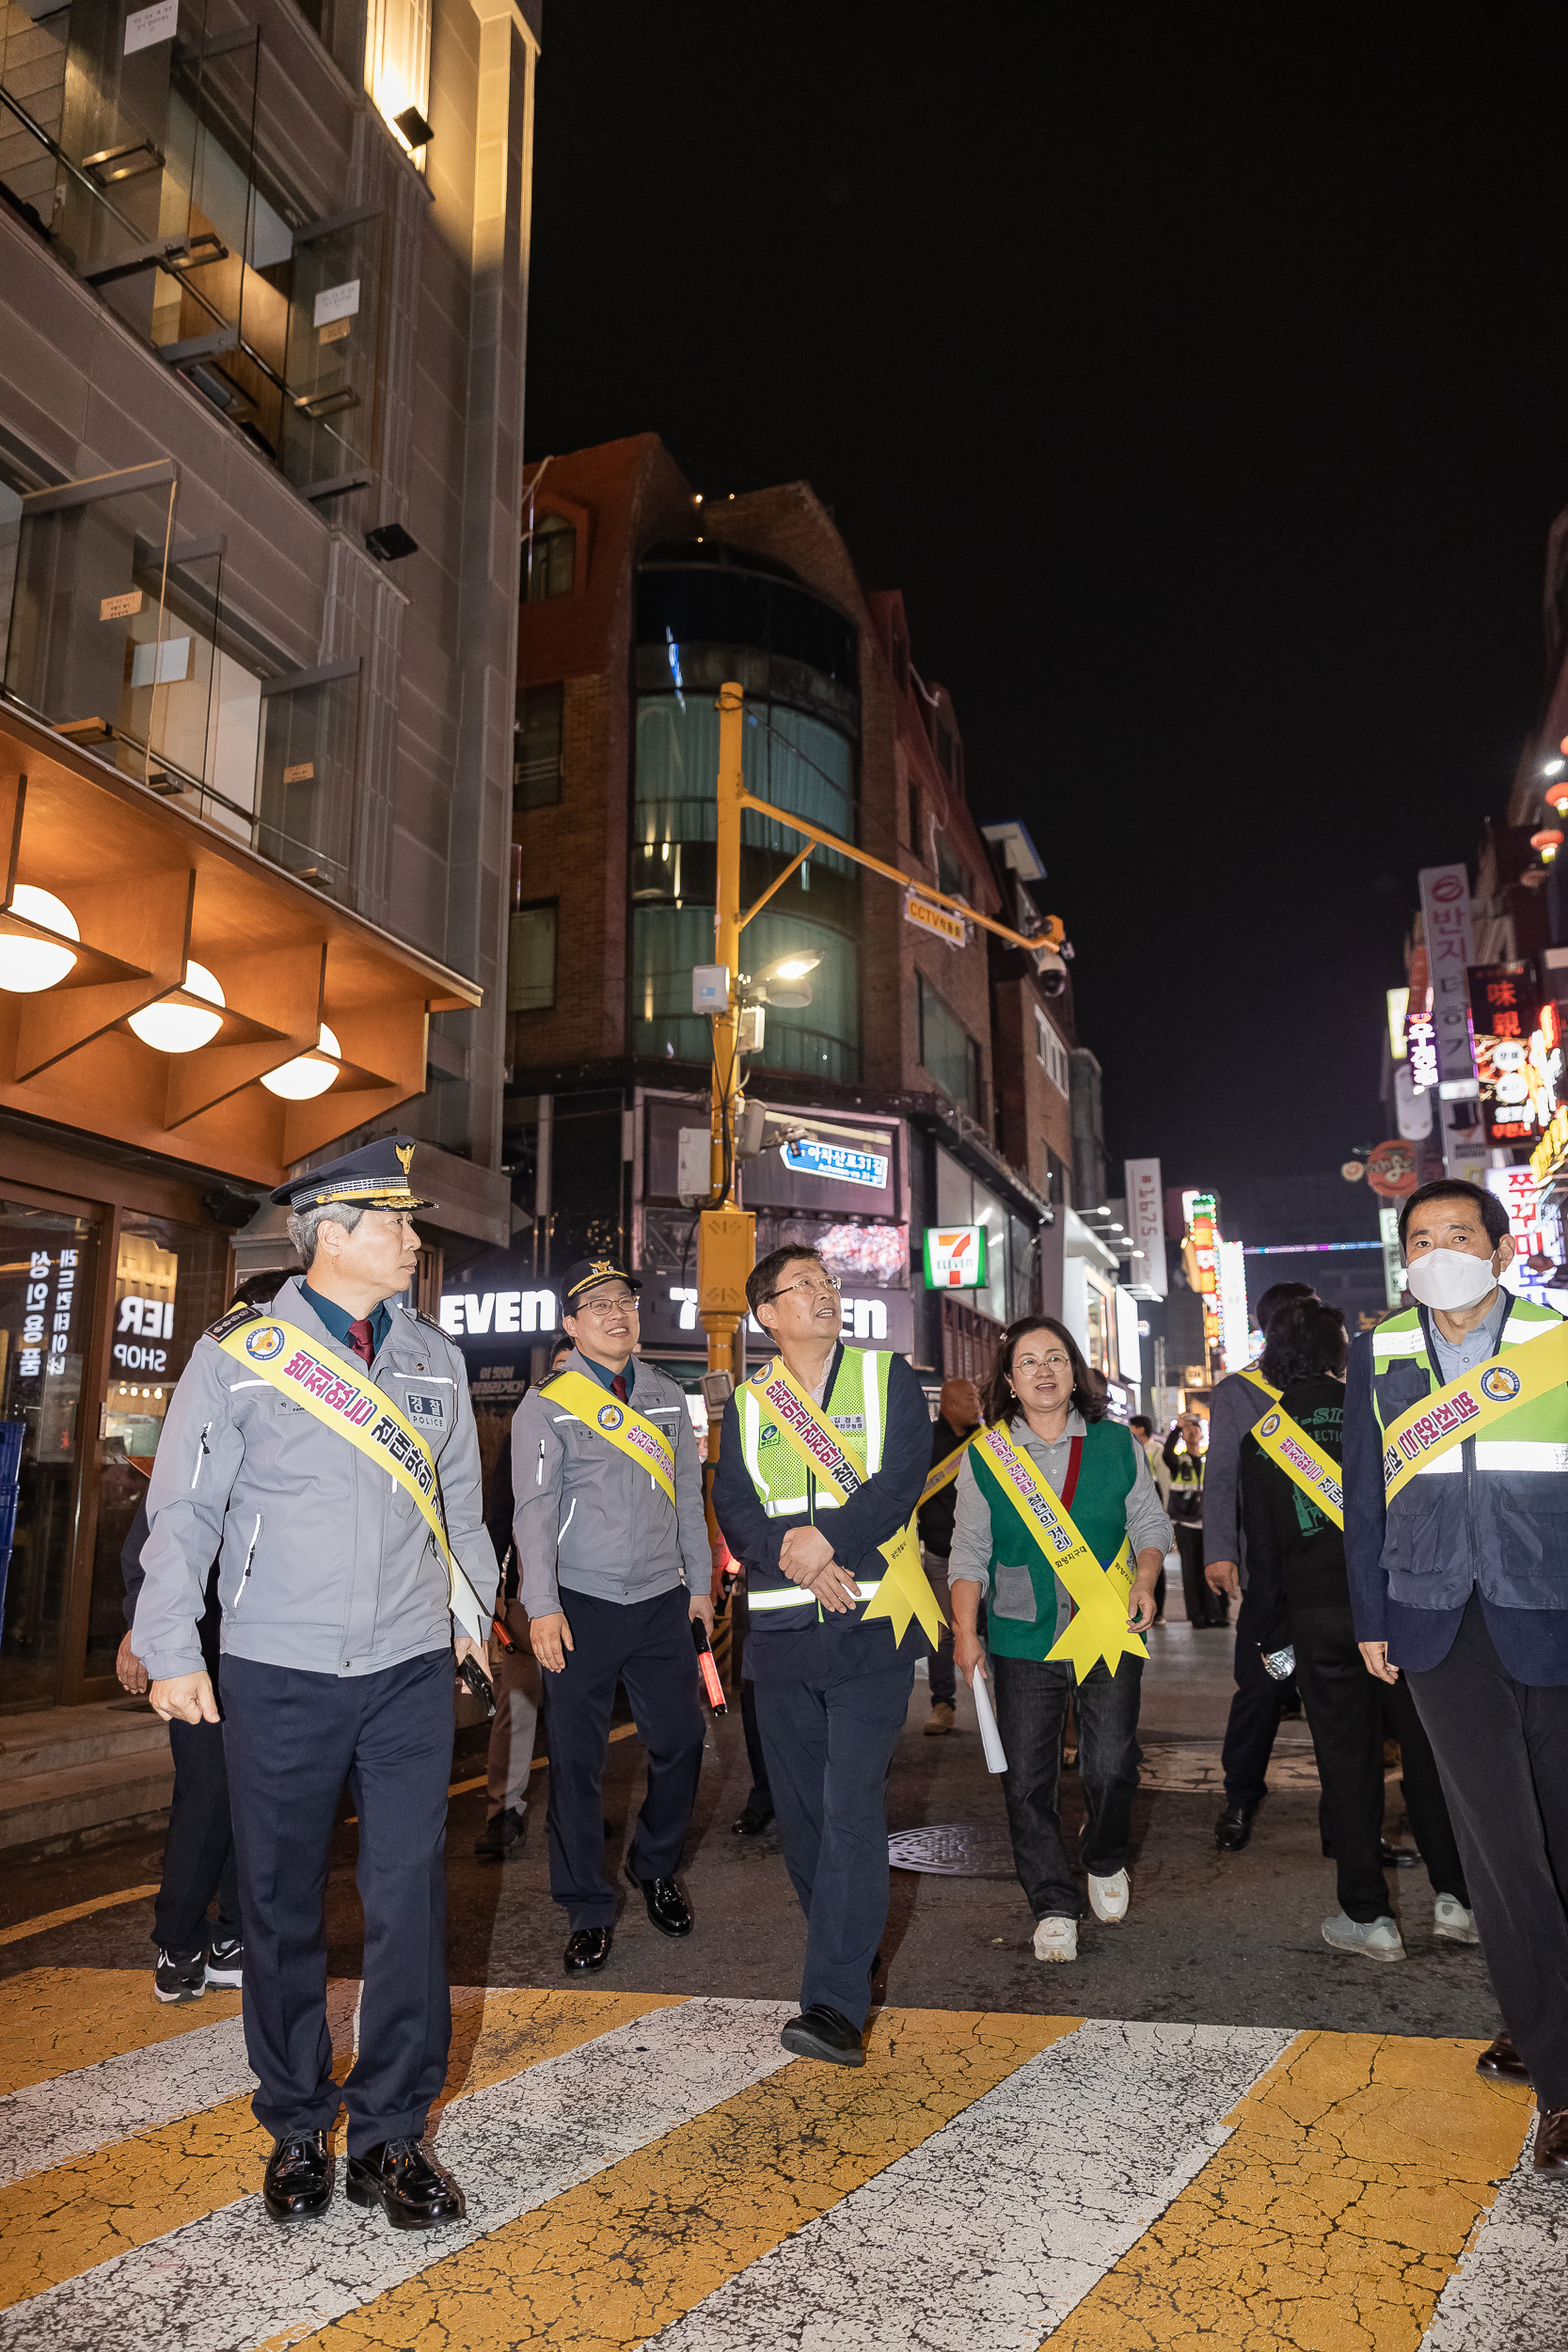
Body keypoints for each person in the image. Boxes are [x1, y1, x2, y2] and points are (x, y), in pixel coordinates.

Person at [135, 1137, 498, 2230]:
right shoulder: (238, 1353)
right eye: (393, 1223)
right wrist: (170, 1646)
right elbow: (185, 1508)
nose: (412, 1239)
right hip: (275, 1669)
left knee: (406, 1900)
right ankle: (297, 2123)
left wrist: (471, 1618)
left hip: (404, 1671)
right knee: (280, 1904)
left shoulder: (432, 1357)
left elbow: (464, 1513)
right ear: (329, 1233)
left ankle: (392, 2136)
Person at [1345, 1176, 1568, 2177]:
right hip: (1435, 1623)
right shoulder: (1381, 1351)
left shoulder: (1552, 1342)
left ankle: (1542, 2019)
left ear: (1499, 1245)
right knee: (1501, 1857)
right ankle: (1561, 2082)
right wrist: (1368, 1617)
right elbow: (1361, 1494)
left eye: (1457, 1233)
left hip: (1549, 1608)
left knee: (1558, 1844)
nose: (1439, 1249)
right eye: (1420, 1237)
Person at [712, 1245, 932, 2067]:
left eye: (828, 1282)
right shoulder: (746, 1402)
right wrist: (789, 1551)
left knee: (849, 1812)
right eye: (802, 1285)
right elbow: (732, 1504)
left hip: (871, 1626)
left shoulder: (885, 1379)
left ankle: (835, 2005)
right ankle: (849, 1941)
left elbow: (900, 1478)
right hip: (778, 1635)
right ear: (766, 1313)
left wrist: (825, 1538)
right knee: (803, 1827)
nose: (823, 1293)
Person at [1240, 1296, 1473, 1961]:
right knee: (1427, 1755)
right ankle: (1455, 1900)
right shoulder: (1373, 1414)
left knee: (1346, 1764)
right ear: (1341, 1353)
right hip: (1396, 1606)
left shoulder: (1262, 1441)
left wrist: (1270, 1636)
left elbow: (1264, 1560)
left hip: (1317, 1618)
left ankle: (1368, 1917)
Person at [510, 1260, 711, 1975]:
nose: (615, 1313)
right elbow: (532, 1513)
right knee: (575, 1761)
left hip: (660, 1598)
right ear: (571, 1325)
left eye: (624, 1300)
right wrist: (541, 1606)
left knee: (682, 1740)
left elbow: (688, 1495)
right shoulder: (547, 1404)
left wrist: (700, 1584)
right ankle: (587, 1908)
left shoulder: (664, 1393)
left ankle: (654, 1866)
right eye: (595, 1305)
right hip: (581, 1604)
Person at [947, 1317, 1169, 1963]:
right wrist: (966, 1634)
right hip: (1021, 1634)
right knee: (1026, 1780)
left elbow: (1147, 1521)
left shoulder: (1113, 1443)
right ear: (1009, 1381)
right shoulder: (987, 1455)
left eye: (1055, 1359)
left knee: (1110, 1766)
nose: (1043, 1371)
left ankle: (1102, 1855)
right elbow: (968, 1551)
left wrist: (1147, 1580)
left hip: (1108, 1627)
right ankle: (1051, 1902)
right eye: (1027, 1362)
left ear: (1075, 1372)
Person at [116, 1272, 285, 2002]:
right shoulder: (209, 1400)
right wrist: (145, 1631)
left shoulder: (294, 1420)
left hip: (278, 1642)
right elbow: (150, 1539)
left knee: (264, 1798)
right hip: (202, 1644)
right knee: (209, 1794)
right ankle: (178, 1939)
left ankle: (232, 1931)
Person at [1204, 1281, 1320, 1851]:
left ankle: (1350, 1820)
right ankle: (1239, 1799)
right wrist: (1220, 1550)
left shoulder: (1337, 1385)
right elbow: (1220, 1474)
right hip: (1269, 1572)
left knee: (1339, 1696)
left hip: (1333, 1571)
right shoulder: (1240, 1392)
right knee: (1260, 1688)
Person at [473, 1334, 568, 1862]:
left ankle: (576, 1805)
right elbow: (496, 1519)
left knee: (582, 1711)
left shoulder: (612, 1433)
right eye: (556, 1367)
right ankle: (502, 1811)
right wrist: (489, 1600)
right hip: (528, 1602)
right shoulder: (523, 1432)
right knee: (518, 1703)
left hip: (589, 1598)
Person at [916, 1376, 984, 1734]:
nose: (977, 1403)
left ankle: (1014, 1707)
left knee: (997, 1631)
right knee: (942, 1633)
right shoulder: (926, 1440)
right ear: (948, 1404)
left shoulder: (992, 1441)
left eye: (978, 1398)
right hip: (942, 1556)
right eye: (969, 1398)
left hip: (992, 1558)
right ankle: (943, 1704)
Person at [1164, 1411, 1223, 1626]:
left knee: (1211, 1568)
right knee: (1190, 1570)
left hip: (1208, 1524)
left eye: (1195, 1430)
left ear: (1201, 1435)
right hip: (1185, 1523)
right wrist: (1176, 1428)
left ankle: (1215, 1613)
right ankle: (1197, 1615)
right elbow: (1167, 1454)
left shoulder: (1209, 1461)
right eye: (1187, 1430)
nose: (1191, 1433)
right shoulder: (1177, 1462)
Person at [1129, 1414, 1170, 1621]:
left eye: (1132, 1427)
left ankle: (1158, 1611)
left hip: (1152, 1505)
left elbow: (1165, 1482)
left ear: (1141, 1429)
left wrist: (1163, 1514)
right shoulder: (1129, 1446)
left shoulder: (1156, 1449)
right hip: (1136, 1507)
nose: (1130, 1430)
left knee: (1154, 1565)